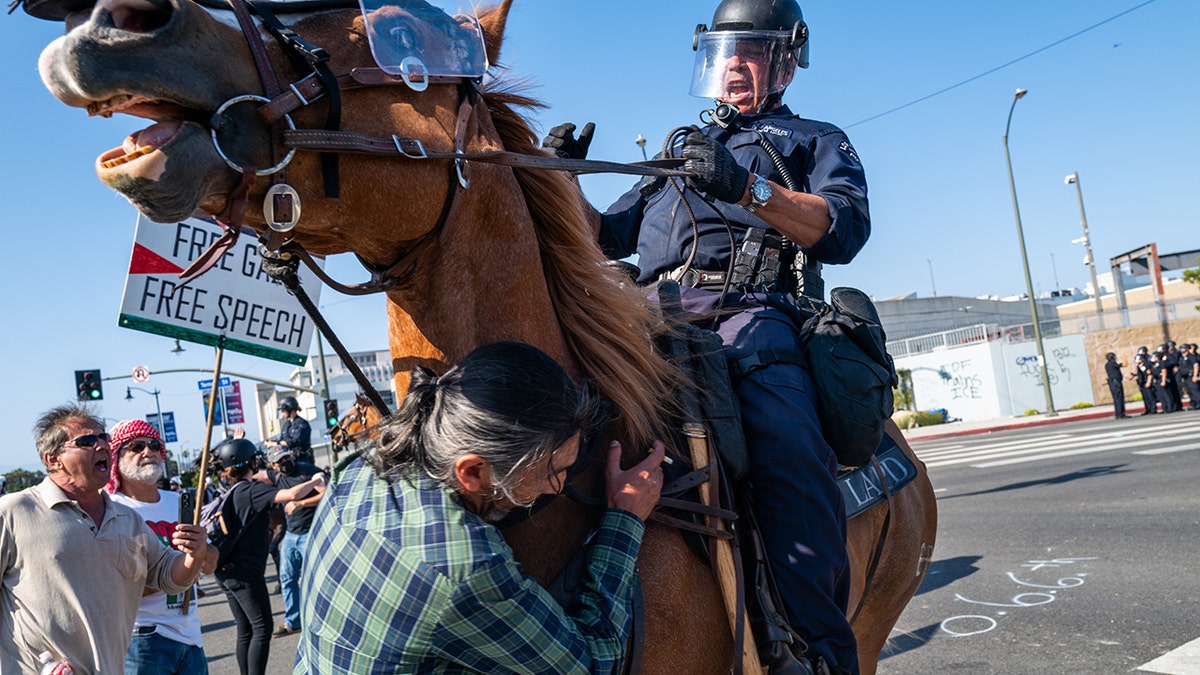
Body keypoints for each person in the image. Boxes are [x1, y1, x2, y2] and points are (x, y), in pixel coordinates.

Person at [543, 1, 864, 671]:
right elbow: (605, 236)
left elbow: (842, 230)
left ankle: (820, 650)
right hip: (647, 314)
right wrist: (562, 182)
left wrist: (746, 187)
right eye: (724, 53)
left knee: (788, 455)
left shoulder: (813, 139)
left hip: (752, 316)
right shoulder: (681, 152)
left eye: (750, 51)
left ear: (786, 62)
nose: (733, 65)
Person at [295, 341, 666, 673]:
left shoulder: (358, 468)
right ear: (472, 471)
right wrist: (624, 519)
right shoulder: (465, 568)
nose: (558, 486)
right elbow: (595, 665)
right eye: (551, 471)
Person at [0, 404, 211, 674]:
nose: (101, 445)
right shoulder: (14, 512)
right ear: (53, 459)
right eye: (87, 441)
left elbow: (169, 576)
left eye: (104, 438)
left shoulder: (127, 519)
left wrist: (193, 555)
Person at [105, 419, 217, 675]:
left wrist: (201, 551)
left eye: (155, 445)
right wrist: (180, 572)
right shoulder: (111, 510)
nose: (149, 451)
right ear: (116, 457)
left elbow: (211, 564)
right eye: (136, 446)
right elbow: (116, 590)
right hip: (142, 639)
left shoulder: (178, 502)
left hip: (190, 636)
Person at [212, 438, 325, 675]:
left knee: (245, 629)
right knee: (262, 628)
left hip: (225, 569)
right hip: (245, 573)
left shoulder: (231, 491)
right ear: (251, 462)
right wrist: (316, 480)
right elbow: (291, 494)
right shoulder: (250, 491)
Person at [251, 446, 325, 638]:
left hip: (310, 533)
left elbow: (325, 493)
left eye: (286, 457)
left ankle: (322, 621)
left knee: (315, 579)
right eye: (280, 461)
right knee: (287, 578)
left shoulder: (307, 471)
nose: (285, 462)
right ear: (274, 466)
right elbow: (251, 474)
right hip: (291, 536)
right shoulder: (275, 476)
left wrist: (301, 503)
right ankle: (293, 622)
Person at [266, 396, 313, 464]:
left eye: (283, 410)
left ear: (290, 409)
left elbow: (295, 441)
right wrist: (272, 442)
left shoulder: (302, 424)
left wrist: (275, 443)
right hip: (289, 459)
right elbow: (282, 440)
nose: (282, 412)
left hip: (302, 459)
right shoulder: (286, 425)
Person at [1134, 348, 1158, 415]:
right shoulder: (1139, 366)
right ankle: (1148, 409)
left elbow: (1149, 374)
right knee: (1146, 397)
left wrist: (1148, 382)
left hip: (1147, 381)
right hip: (1142, 383)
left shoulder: (1146, 365)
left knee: (1150, 396)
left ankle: (1153, 409)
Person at [1104, 353, 1127, 419]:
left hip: (1113, 382)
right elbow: (1124, 364)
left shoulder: (1107, 364)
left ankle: (1118, 413)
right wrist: (1124, 357)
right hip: (1116, 382)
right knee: (1119, 398)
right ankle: (1121, 414)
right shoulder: (1112, 363)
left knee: (1117, 398)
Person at [1178, 342, 1200, 411]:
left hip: (1191, 376)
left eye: (1183, 348)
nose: (1182, 349)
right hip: (1185, 377)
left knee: (1195, 390)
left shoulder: (1191, 356)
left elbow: (1196, 366)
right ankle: (1193, 404)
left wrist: (1195, 375)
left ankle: (1198, 403)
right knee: (1189, 391)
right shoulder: (1181, 357)